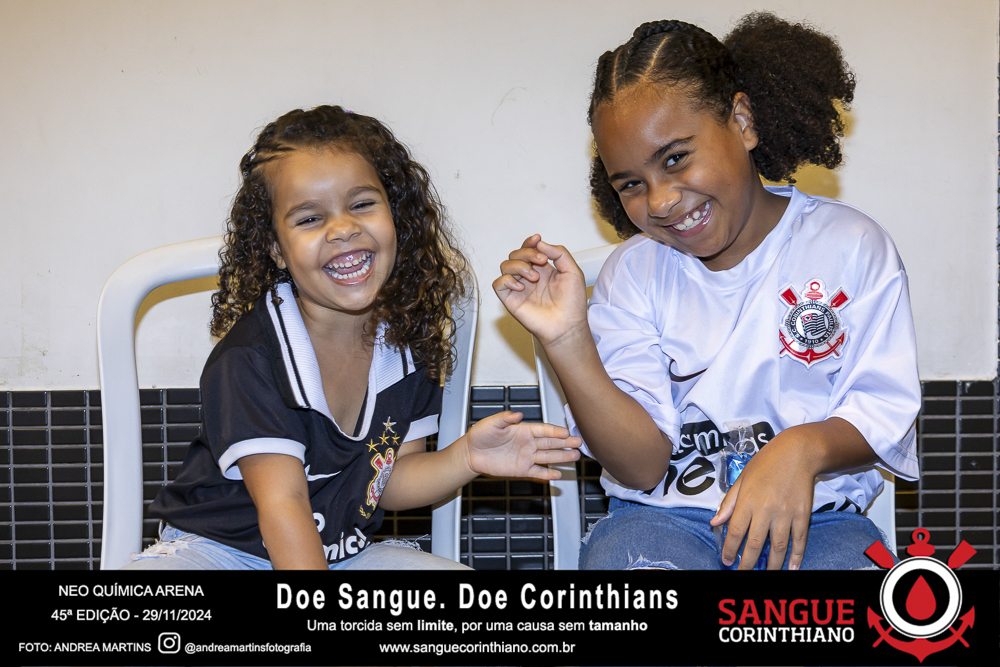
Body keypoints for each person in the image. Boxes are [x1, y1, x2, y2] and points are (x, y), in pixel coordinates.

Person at [494, 14, 919, 570]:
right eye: (632, 184)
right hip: (660, 523)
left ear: (742, 122)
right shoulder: (633, 274)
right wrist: (568, 338)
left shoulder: (851, 246)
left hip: (821, 522)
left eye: (675, 159)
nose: (661, 200)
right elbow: (641, 467)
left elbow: (885, 409)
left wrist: (801, 448)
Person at [125, 105, 581, 570]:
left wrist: (465, 457)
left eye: (362, 204)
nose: (343, 228)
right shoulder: (251, 357)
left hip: (340, 553)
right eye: (309, 219)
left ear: (396, 217)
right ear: (276, 250)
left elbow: (389, 480)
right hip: (219, 553)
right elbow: (283, 505)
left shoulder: (408, 342)